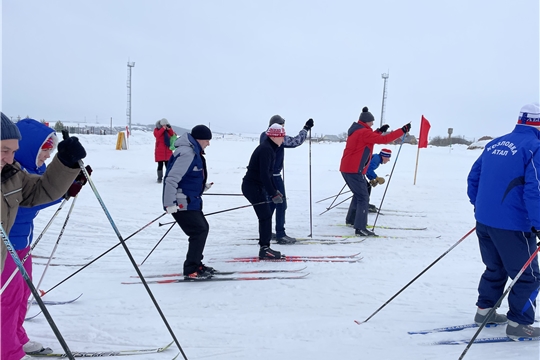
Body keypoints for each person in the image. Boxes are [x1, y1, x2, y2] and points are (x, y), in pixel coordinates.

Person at [2, 118, 92, 358]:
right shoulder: (13, 170)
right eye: (44, 151)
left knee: (21, 295)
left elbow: (40, 192)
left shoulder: (15, 173)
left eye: (13, 151)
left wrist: (66, 171)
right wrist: (65, 190)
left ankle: (16, 337)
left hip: (21, 244)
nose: (46, 156)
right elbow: (27, 205)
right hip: (7, 247)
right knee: (7, 301)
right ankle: (7, 350)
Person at [467, 102, 540, 340]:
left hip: (485, 221)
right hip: (514, 225)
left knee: (495, 267)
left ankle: (485, 311)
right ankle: (519, 325)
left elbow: (474, 177)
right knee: (527, 275)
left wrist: (480, 206)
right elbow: (535, 190)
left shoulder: (494, 143)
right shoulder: (535, 147)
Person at [339, 106, 410, 236]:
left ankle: (352, 220)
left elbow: (370, 138)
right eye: (371, 122)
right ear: (366, 121)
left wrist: (378, 131)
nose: (372, 123)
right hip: (353, 169)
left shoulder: (359, 130)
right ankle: (360, 228)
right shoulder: (363, 132)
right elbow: (383, 140)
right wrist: (402, 131)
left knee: (360, 192)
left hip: (349, 168)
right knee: (363, 196)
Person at [162, 125, 215, 280]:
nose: (208, 144)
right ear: (199, 139)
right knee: (199, 230)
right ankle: (192, 268)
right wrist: (169, 203)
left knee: (201, 229)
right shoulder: (187, 153)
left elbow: (189, 177)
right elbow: (171, 179)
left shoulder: (192, 151)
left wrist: (202, 187)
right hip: (181, 202)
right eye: (207, 140)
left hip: (190, 200)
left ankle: (196, 264)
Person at [259, 115, 314, 244]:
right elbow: (296, 141)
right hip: (275, 177)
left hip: (267, 175)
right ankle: (280, 234)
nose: (283, 129)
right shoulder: (276, 137)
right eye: (282, 126)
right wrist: (305, 129)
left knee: (271, 204)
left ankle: (265, 231)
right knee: (281, 204)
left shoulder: (264, 135)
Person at [242, 123, 286, 259]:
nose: (283, 140)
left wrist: (275, 190)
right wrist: (273, 193)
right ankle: (265, 249)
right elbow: (264, 175)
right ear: (274, 136)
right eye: (282, 137)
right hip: (252, 186)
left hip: (256, 186)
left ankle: (265, 247)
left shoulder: (269, 149)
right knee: (265, 215)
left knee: (265, 215)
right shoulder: (266, 150)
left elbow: (269, 174)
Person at [366, 148, 392, 213]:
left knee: (367, 187)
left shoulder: (377, 158)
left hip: (358, 173)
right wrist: (377, 178)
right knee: (364, 189)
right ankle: (363, 206)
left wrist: (371, 179)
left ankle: (364, 204)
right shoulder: (376, 159)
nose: (389, 160)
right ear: (383, 156)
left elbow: (367, 169)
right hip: (355, 173)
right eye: (388, 157)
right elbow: (368, 169)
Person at [154, 118, 174, 183]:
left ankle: (168, 177)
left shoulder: (167, 130)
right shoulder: (156, 130)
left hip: (167, 151)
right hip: (160, 150)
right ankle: (159, 178)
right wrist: (163, 129)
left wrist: (169, 129)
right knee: (160, 165)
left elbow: (172, 135)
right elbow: (157, 135)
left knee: (168, 165)